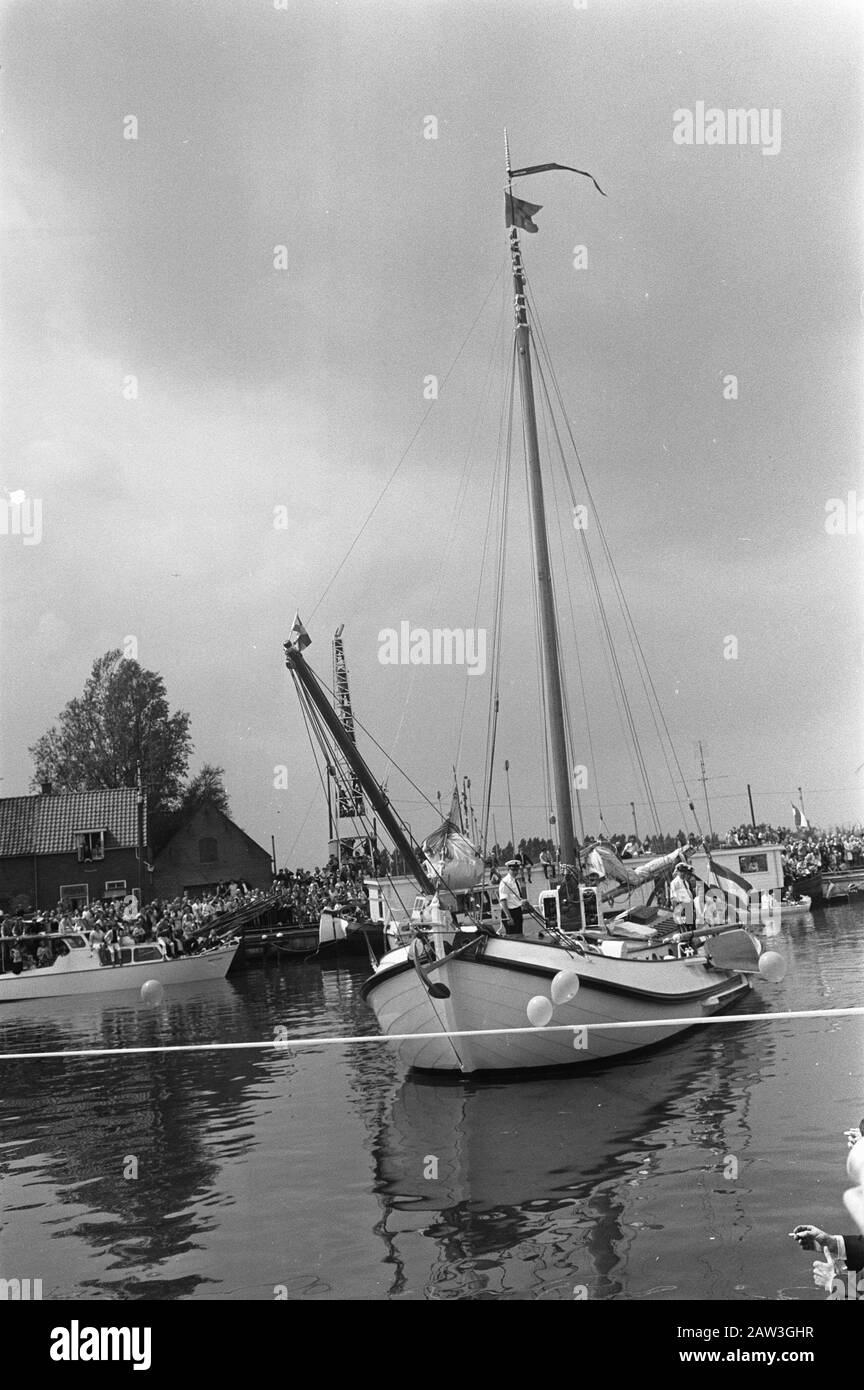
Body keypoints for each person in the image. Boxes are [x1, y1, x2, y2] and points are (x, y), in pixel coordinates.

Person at [498, 861, 525, 935]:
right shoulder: (505, 882)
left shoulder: (516, 881)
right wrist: (509, 917)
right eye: (513, 870)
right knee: (513, 937)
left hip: (517, 911)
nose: (515, 872)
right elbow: (503, 901)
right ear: (508, 870)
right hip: (510, 912)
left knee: (519, 935)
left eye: (516, 870)